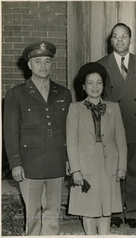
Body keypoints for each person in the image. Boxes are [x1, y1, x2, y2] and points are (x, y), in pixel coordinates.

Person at [3, 41, 72, 235]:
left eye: (47, 61)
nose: (43, 66)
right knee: (32, 213)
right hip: (29, 163)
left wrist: (69, 159)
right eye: (38, 61)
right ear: (29, 65)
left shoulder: (64, 93)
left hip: (56, 160)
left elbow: (69, 130)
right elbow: (10, 131)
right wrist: (15, 162)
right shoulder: (16, 94)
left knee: (52, 212)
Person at [96, 23, 136, 228]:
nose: (120, 40)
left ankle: (133, 211)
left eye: (124, 36)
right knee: (114, 169)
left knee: (135, 169)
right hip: (113, 125)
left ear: (130, 39)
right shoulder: (100, 64)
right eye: (115, 36)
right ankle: (115, 210)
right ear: (110, 40)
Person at [66, 62, 127, 235]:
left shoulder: (114, 108)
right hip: (85, 165)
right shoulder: (75, 109)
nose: (95, 87)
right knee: (89, 208)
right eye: (90, 83)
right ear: (84, 87)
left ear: (103, 85)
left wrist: (122, 166)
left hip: (108, 164)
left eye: (99, 82)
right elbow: (71, 141)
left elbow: (121, 140)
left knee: (105, 206)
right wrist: (75, 170)